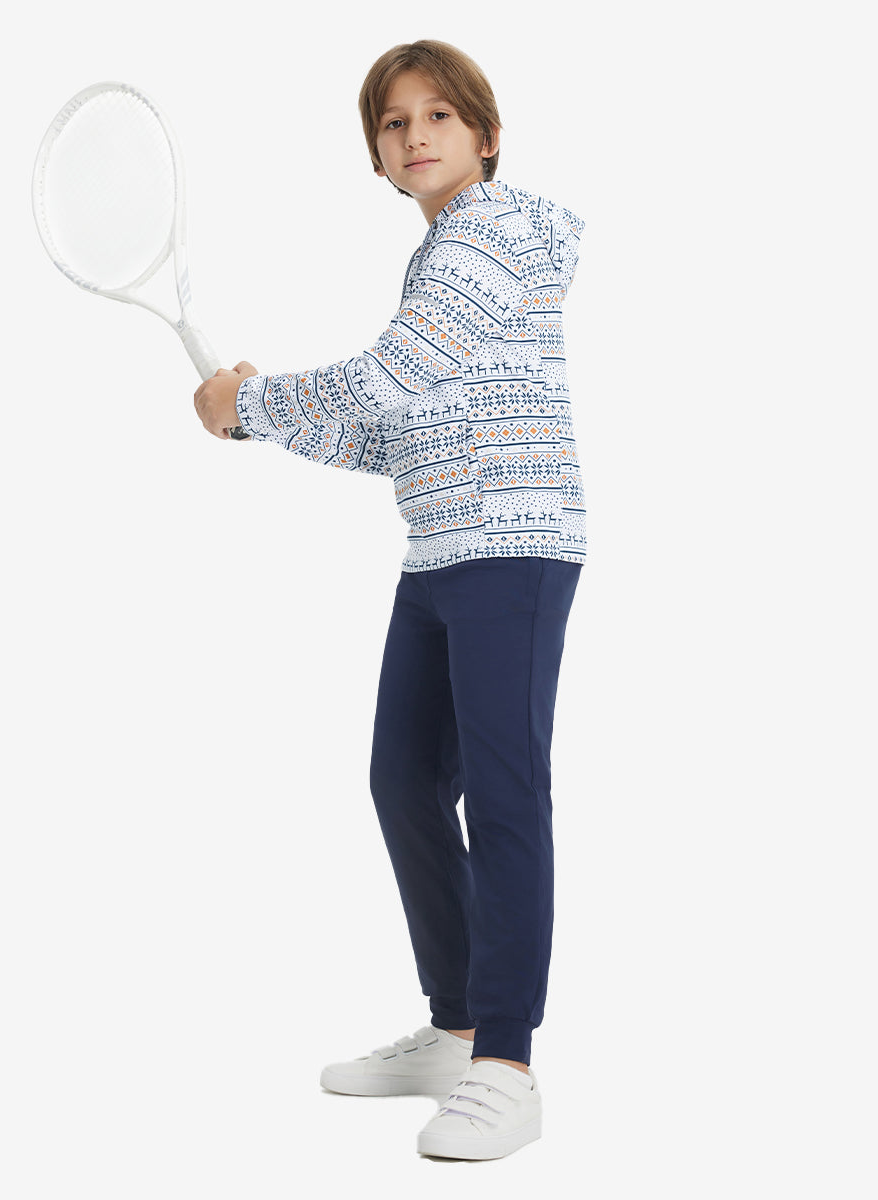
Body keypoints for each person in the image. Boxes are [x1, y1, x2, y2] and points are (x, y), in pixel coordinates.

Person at [193, 38, 587, 1161]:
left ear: (487, 137)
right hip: (441, 551)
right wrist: (253, 421)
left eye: (439, 116)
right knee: (405, 780)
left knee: (504, 795)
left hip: (513, 547)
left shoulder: (491, 233)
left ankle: (505, 1064)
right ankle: (456, 1026)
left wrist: (252, 401)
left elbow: (389, 377)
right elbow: (394, 431)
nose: (416, 135)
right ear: (377, 156)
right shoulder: (439, 254)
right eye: (395, 122)